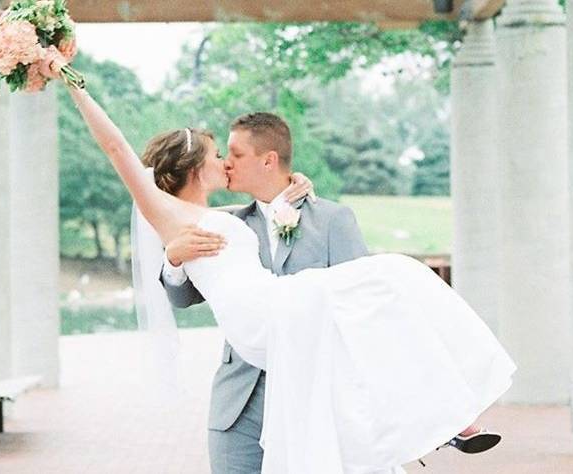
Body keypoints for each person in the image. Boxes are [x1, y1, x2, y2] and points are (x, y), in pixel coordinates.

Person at [39, 50, 516, 474]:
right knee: (394, 279)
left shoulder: (223, 215)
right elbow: (117, 148)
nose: (225, 162)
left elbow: (260, 217)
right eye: (216, 155)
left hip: (280, 317)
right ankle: (448, 415)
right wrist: (68, 77)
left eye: (232, 154)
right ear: (191, 169)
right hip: (266, 322)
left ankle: (453, 416)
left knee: (397, 283)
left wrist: (291, 194)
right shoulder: (167, 215)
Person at [158, 112, 370, 474]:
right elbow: (182, 298)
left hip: (309, 400)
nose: (225, 163)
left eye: (235, 154)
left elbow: (360, 309)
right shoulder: (229, 224)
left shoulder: (333, 220)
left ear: (268, 160)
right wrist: (173, 261)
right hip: (239, 406)